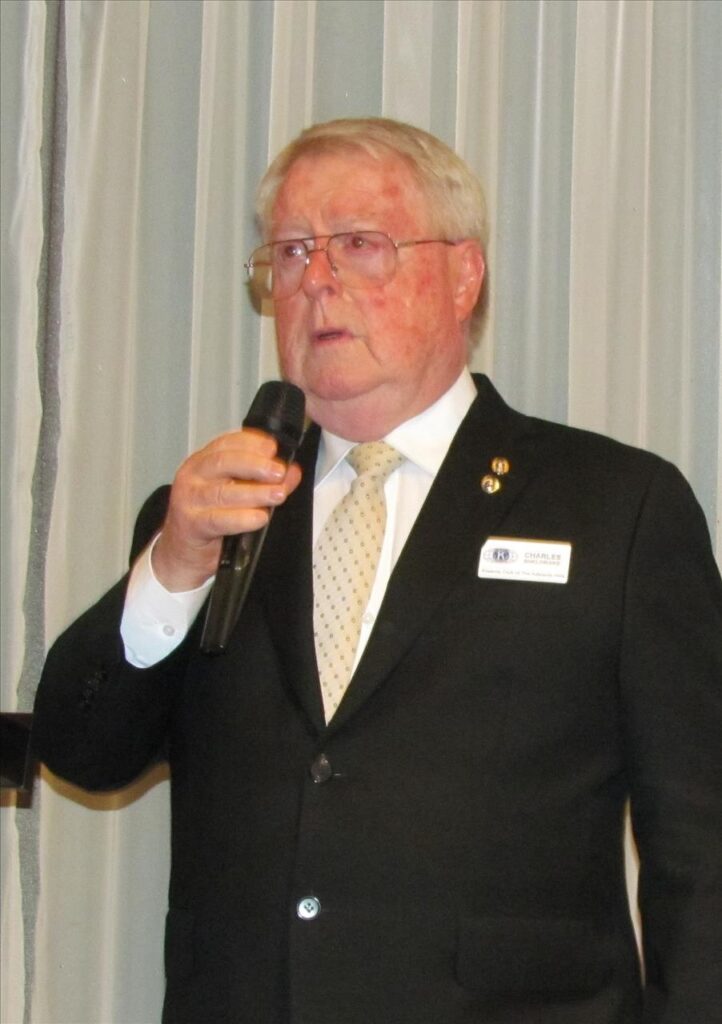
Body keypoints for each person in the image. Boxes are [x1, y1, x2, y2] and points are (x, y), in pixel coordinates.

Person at [33, 117, 722, 1024]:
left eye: (358, 245)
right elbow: (83, 752)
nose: (316, 280)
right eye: (290, 252)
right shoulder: (215, 517)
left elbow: (702, 849)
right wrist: (170, 566)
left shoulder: (613, 507)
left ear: (464, 275)